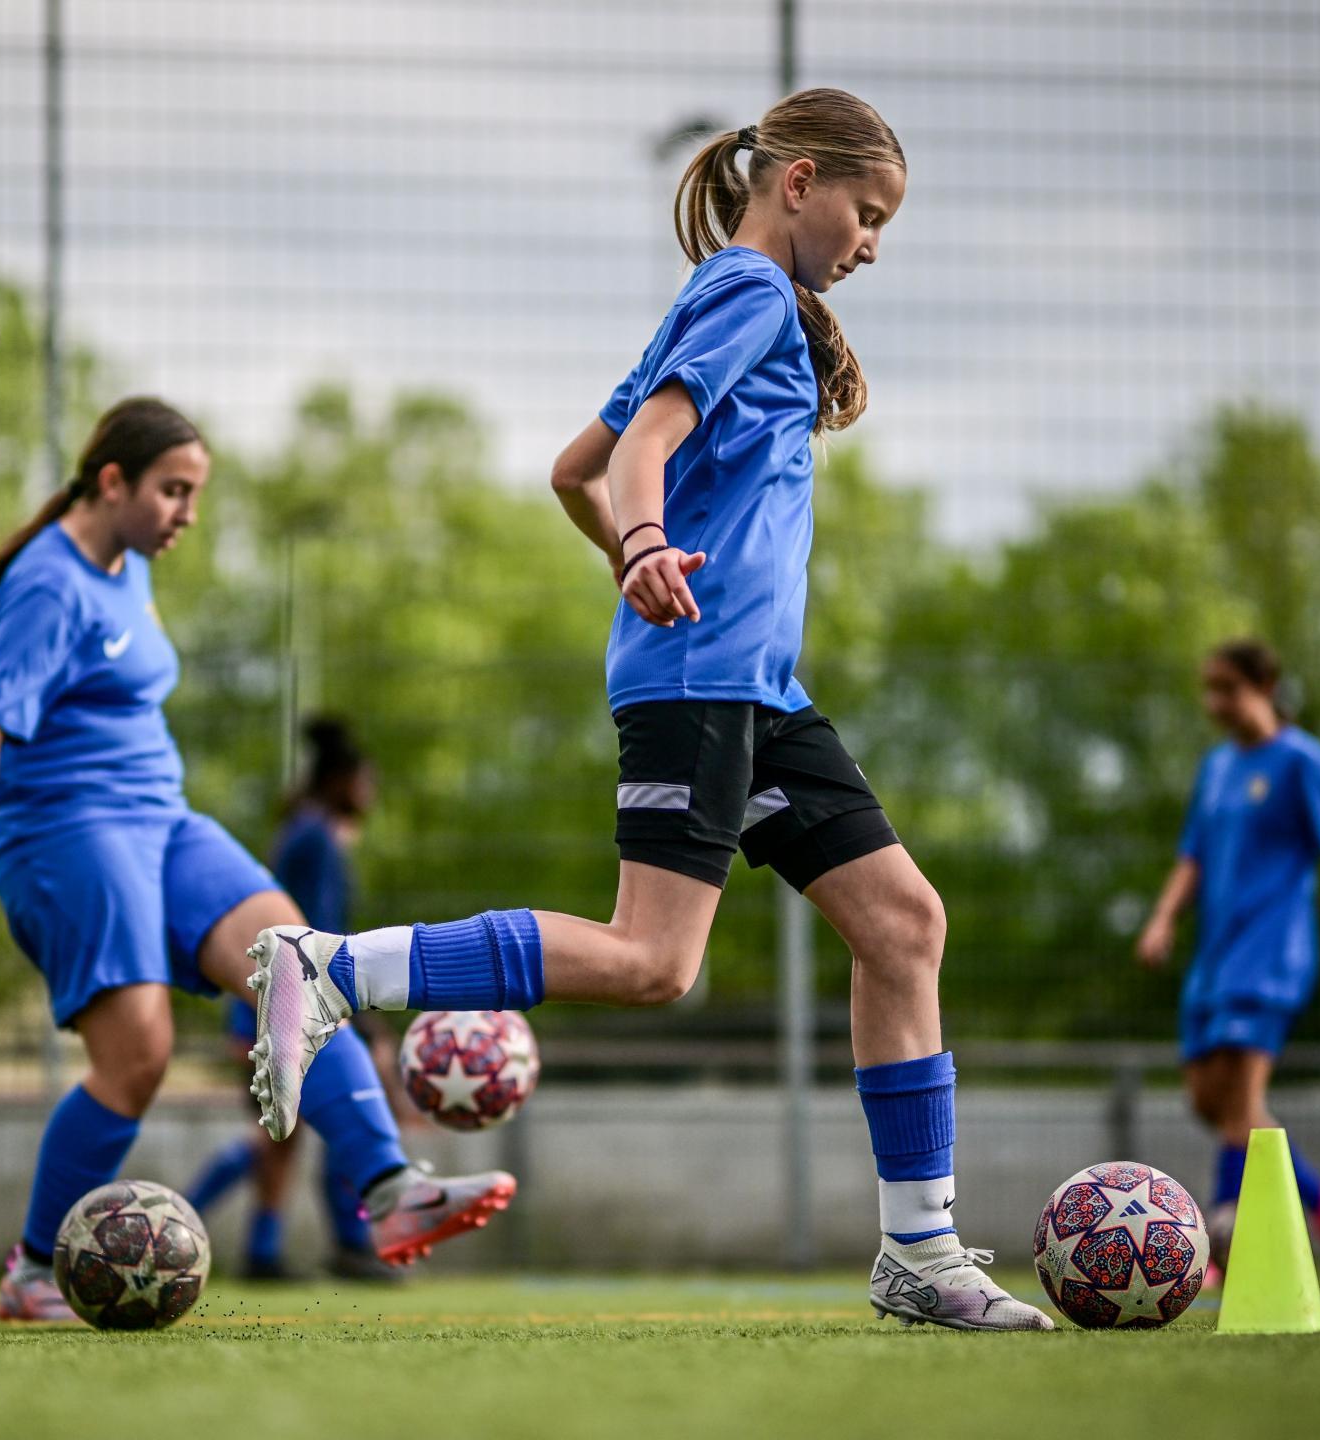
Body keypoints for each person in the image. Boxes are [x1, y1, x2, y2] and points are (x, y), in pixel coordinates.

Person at [247, 88, 1051, 1331]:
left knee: (901, 924)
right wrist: (642, 545)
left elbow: (571, 463)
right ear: (796, 183)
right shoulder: (746, 293)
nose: (874, 241)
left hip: (756, 693)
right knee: (652, 962)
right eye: (867, 211)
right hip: (704, 686)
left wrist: (646, 566)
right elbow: (630, 463)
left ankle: (920, 1252)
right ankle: (332, 967)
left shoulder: (727, 298)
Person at [0, 398, 514, 1322]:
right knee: (139, 1059)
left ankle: (392, 1191)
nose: (188, 514)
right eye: (173, 491)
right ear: (111, 481)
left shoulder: (124, 568)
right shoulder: (48, 582)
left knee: (300, 969)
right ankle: (34, 1268)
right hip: (68, 834)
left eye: (194, 493)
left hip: (162, 823)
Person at [1135, 639, 1320, 1282]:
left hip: (1272, 954)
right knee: (1208, 1100)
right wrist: (1161, 919)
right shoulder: (1216, 768)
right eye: (1208, 690)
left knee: (1239, 1100)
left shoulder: (1304, 763)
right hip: (1215, 955)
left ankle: (1216, 1238)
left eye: (1226, 689)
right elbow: (1193, 856)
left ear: (1263, 686)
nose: (1214, 704)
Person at [184, 717, 407, 1282]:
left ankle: (257, 1248)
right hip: (288, 1005)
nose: (370, 795)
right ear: (341, 781)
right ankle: (351, 1240)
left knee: (278, 1135)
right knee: (327, 1114)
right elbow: (317, 931)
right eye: (365, 783)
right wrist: (362, 1012)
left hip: (262, 1001)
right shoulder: (316, 839)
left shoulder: (302, 831)